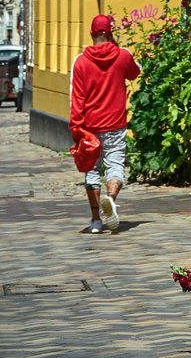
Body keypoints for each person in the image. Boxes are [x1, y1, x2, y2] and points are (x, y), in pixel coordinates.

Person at [69, 14, 140, 235]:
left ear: (91, 34)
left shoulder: (80, 61)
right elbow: (135, 71)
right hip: (116, 123)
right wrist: (116, 46)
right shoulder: (123, 55)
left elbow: (76, 97)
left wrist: (76, 128)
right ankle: (111, 198)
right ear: (110, 33)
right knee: (115, 165)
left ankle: (95, 221)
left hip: (89, 127)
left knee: (92, 171)